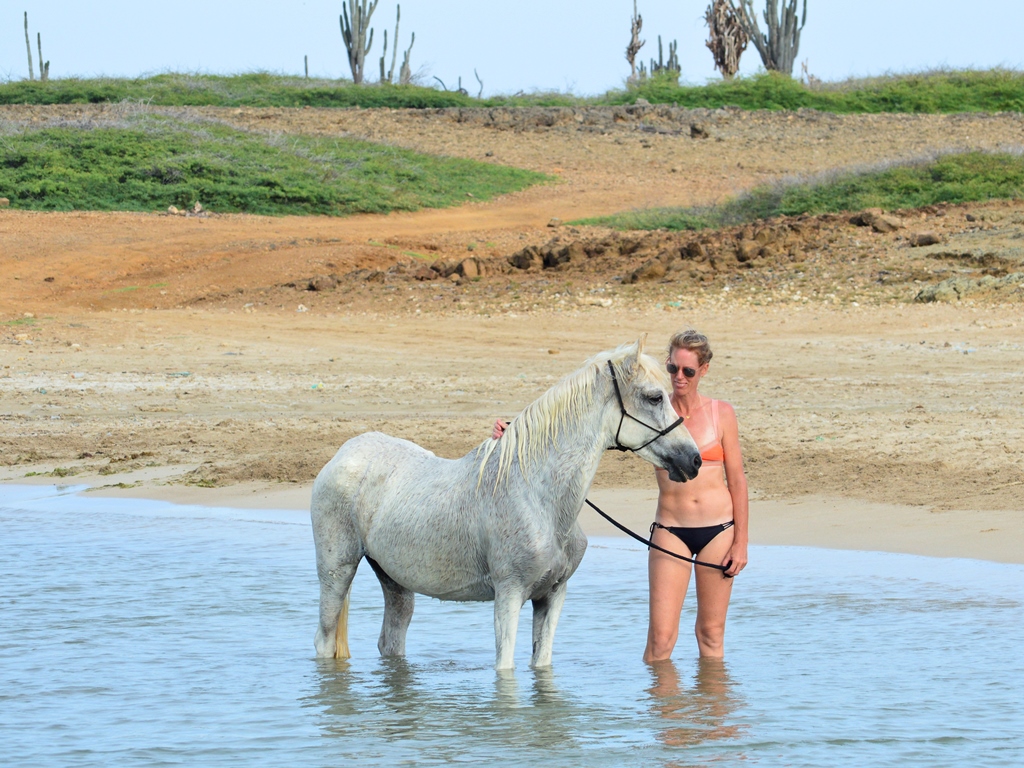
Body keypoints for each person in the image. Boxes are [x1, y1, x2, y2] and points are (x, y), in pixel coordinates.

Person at [491, 328, 748, 662]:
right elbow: (580, 436)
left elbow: (738, 481)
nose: (679, 377)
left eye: (688, 371)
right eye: (673, 369)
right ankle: (664, 713)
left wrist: (741, 544)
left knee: (711, 635)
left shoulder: (721, 413)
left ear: (704, 370)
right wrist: (516, 433)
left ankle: (713, 713)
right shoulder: (648, 409)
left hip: (719, 531)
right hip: (671, 531)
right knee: (660, 641)